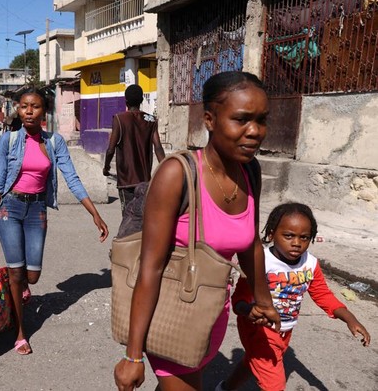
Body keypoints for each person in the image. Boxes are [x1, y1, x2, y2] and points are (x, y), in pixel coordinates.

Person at [114, 71, 281, 391]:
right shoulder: (177, 174)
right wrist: (133, 356)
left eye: (262, 120)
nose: (255, 132)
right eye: (242, 119)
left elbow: (251, 245)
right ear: (210, 119)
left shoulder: (250, 172)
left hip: (208, 318)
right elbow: (150, 267)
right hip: (168, 315)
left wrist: (264, 300)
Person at [0, 87, 109, 356]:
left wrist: (94, 213)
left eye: (35, 106)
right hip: (9, 209)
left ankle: (20, 289)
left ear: (44, 111)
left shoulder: (54, 142)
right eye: (24, 106)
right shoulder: (9, 140)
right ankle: (20, 331)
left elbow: (71, 178)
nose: (29, 111)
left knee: (32, 275)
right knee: (15, 272)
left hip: (37, 209)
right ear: (18, 109)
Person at [216, 202, 371, 391]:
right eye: (288, 235)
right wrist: (248, 310)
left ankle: (225, 388)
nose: (297, 243)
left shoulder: (310, 264)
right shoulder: (260, 262)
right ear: (272, 234)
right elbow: (238, 300)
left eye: (304, 237)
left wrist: (349, 318)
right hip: (259, 331)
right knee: (274, 384)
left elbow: (322, 294)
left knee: (253, 361)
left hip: (285, 329)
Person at [103, 84, 166, 213]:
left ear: (126, 101)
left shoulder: (119, 119)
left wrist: (106, 167)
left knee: (128, 218)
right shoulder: (151, 120)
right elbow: (158, 147)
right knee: (143, 217)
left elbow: (110, 149)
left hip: (126, 181)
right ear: (142, 100)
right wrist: (166, 168)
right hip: (144, 181)